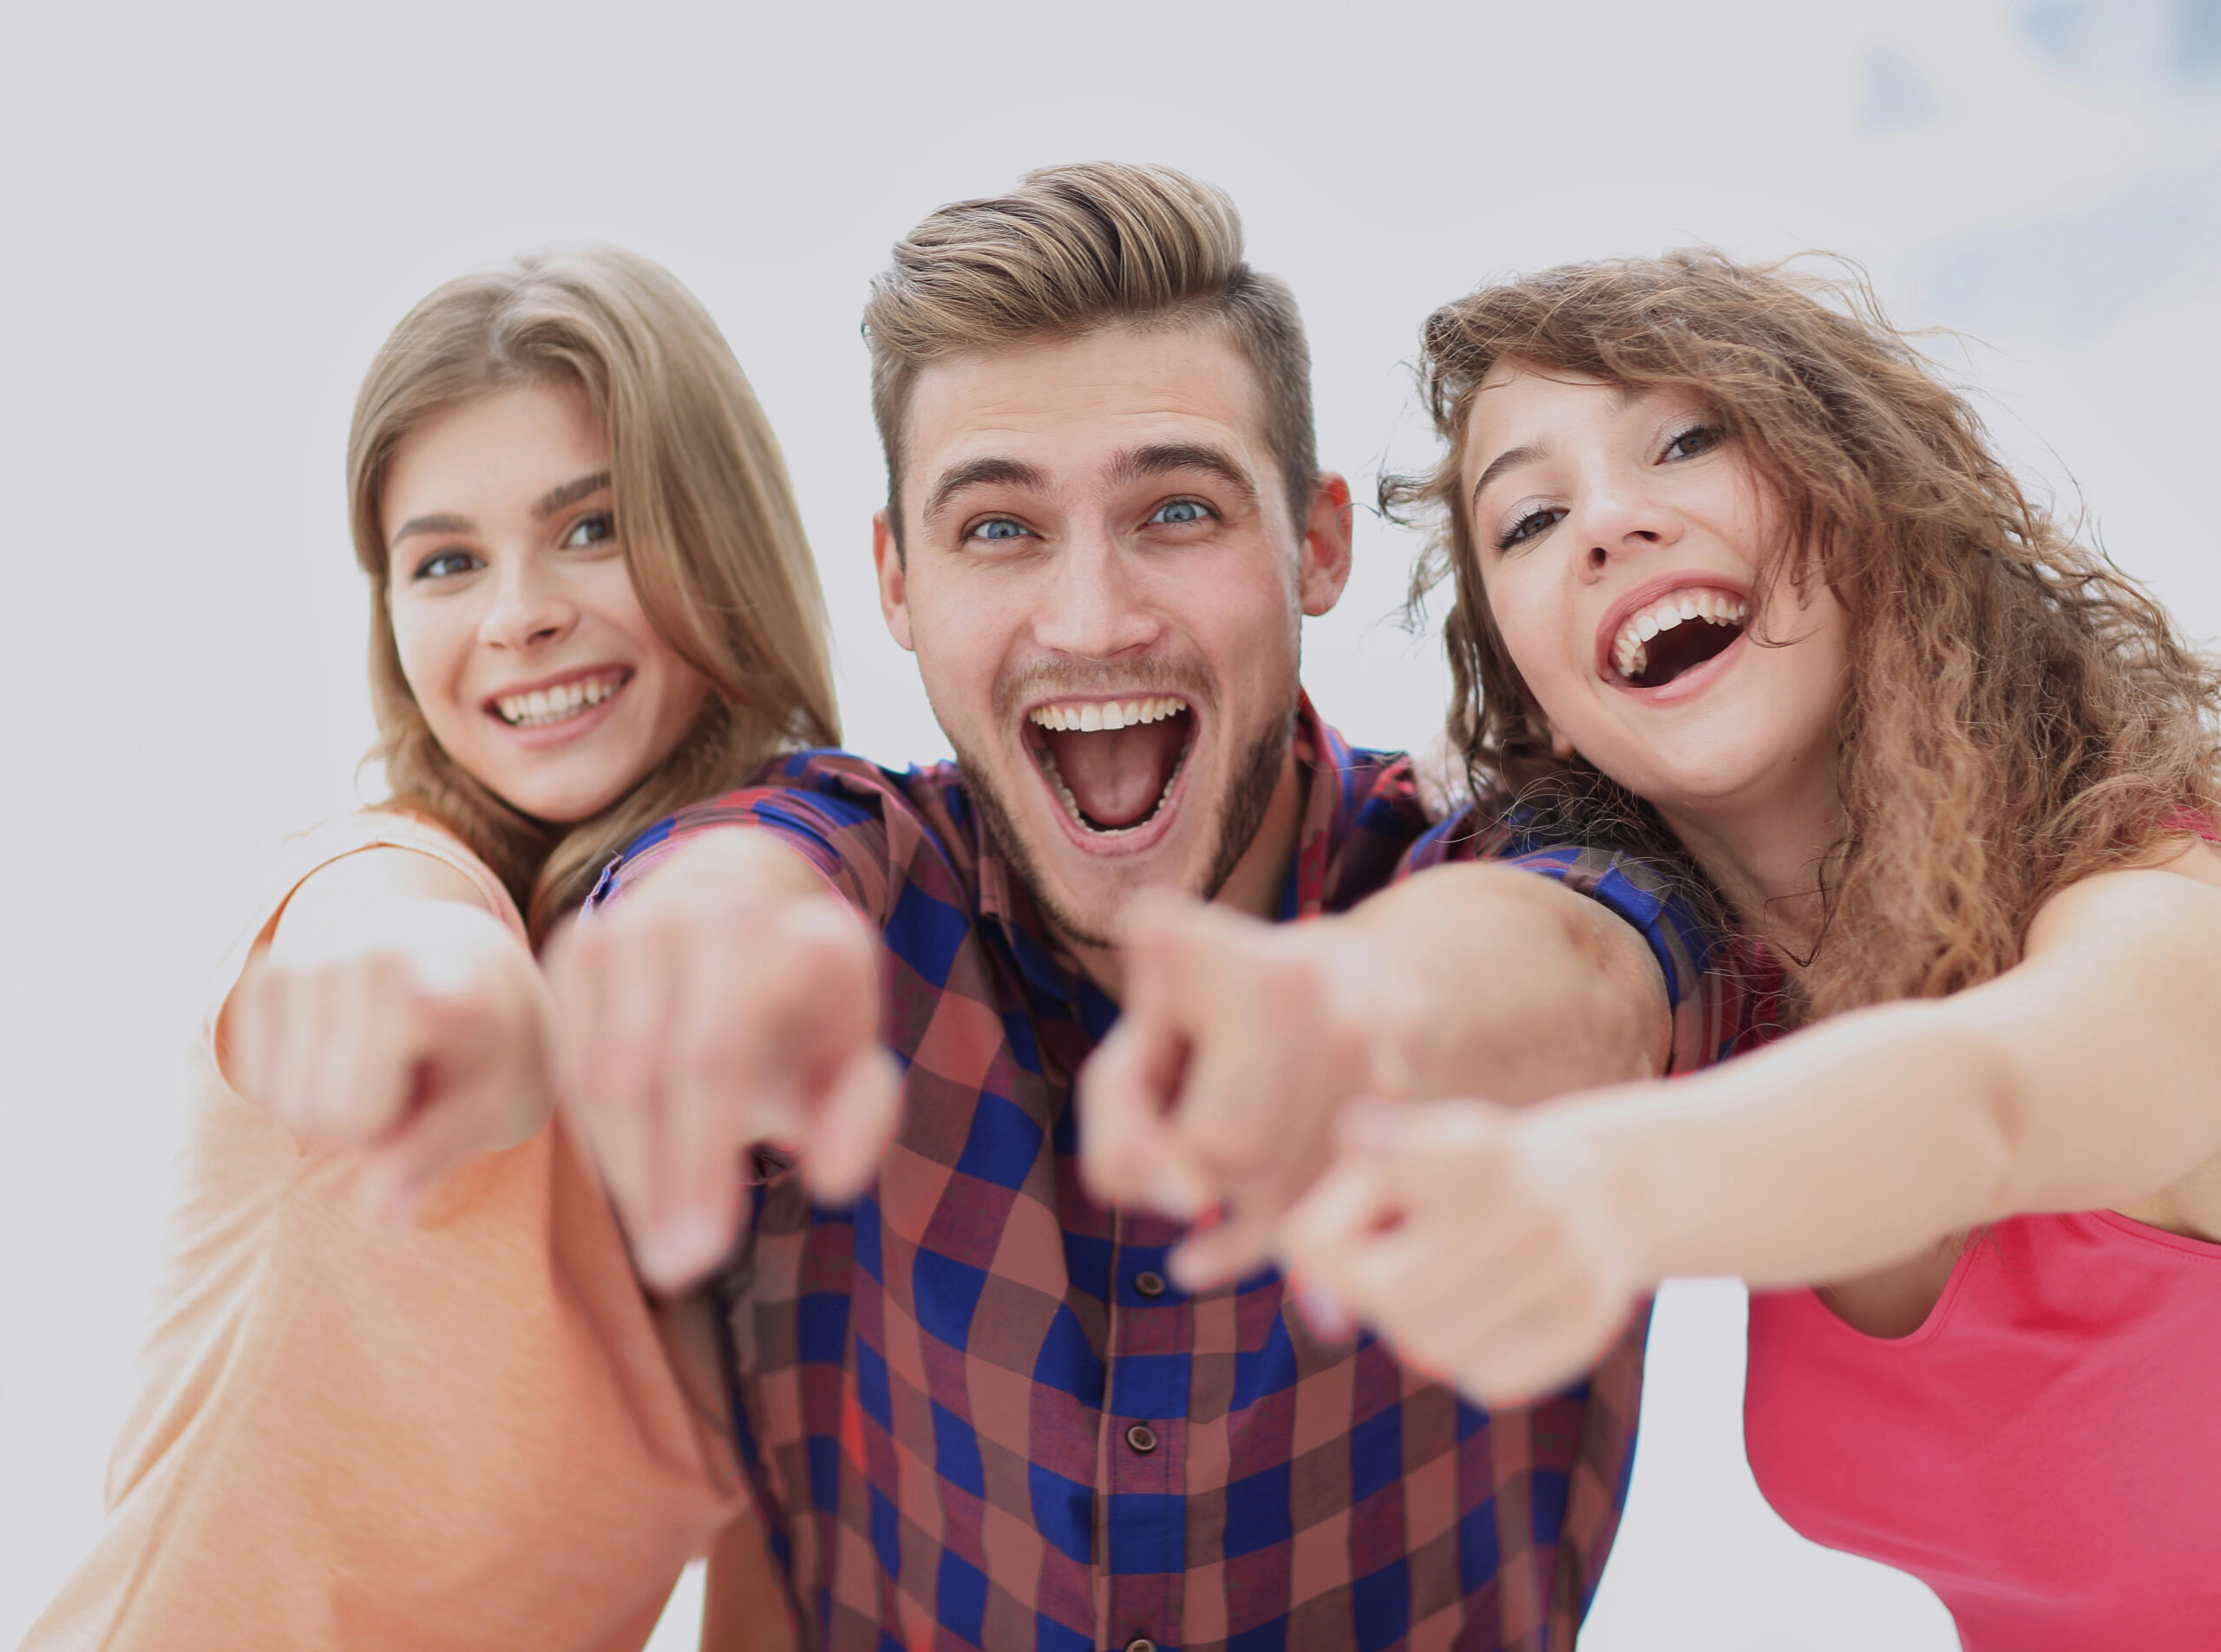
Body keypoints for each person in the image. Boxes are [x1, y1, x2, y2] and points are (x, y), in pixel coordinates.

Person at [551, 164, 1742, 1652]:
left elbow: (1585, 966)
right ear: (897, 581)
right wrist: (696, 953)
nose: (1094, 616)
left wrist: (1358, 1018)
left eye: (1176, 510)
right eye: (997, 529)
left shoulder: (1495, 864)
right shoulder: (853, 875)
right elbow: (733, 882)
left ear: (1315, 544)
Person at [1275, 251, 2221, 1649]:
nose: (1605, 523)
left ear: (1861, 498)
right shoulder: (1729, 1011)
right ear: (1537, 707)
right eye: (1529, 519)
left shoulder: (2162, 899)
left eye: (1687, 439)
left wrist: (1584, 1193)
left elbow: (1985, 1105)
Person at [27, 246, 837, 1652]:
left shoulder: (758, 1110)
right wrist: (458, 1018)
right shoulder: (381, 877)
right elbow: (412, 961)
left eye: (589, 529)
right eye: (446, 561)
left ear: (719, 536)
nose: (514, 611)